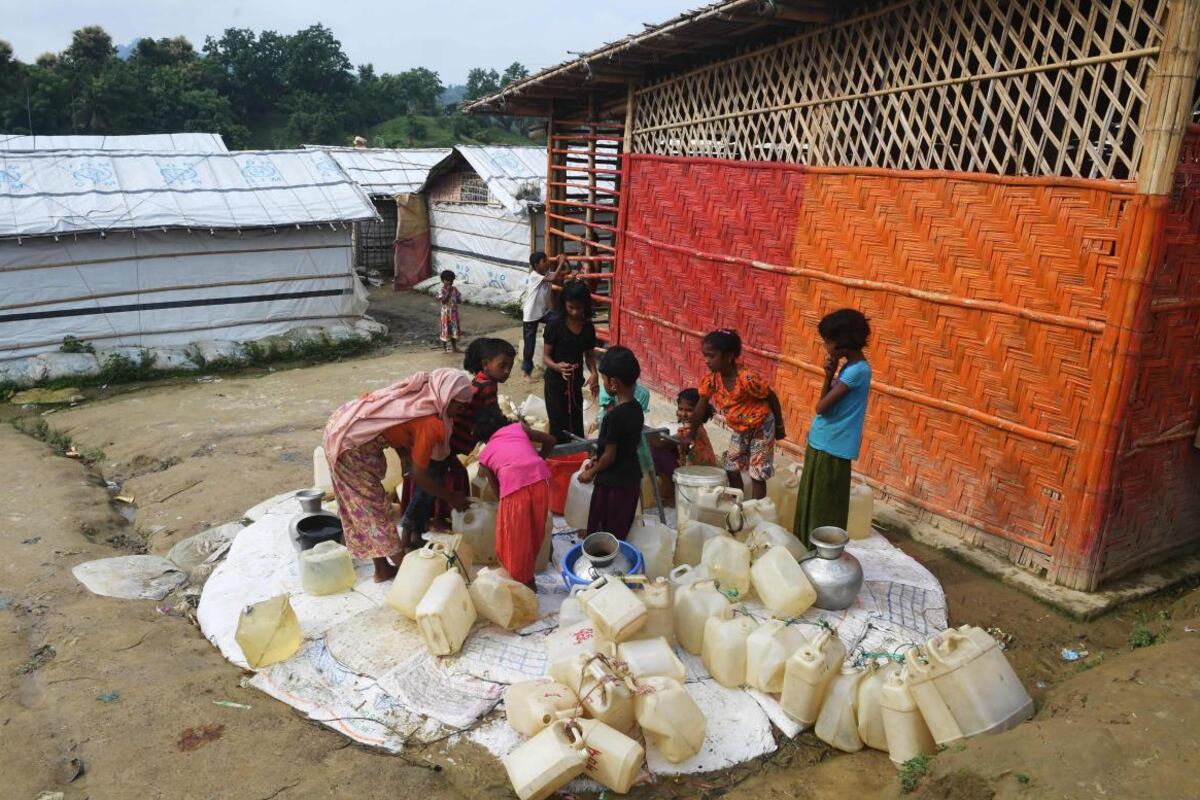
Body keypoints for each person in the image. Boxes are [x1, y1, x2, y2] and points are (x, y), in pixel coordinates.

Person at [323, 369, 472, 582]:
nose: (461, 411)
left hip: (346, 427)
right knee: (373, 511)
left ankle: (382, 569)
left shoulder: (421, 399)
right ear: (446, 395)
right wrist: (451, 497)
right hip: (350, 444)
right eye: (459, 404)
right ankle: (411, 577)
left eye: (466, 406)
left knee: (362, 508)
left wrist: (405, 455)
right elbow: (419, 475)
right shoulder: (429, 423)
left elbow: (396, 429)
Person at [403, 337, 518, 530]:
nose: (507, 371)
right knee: (448, 477)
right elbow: (492, 415)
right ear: (486, 364)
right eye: (503, 365)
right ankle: (438, 518)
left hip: (450, 439)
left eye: (510, 366)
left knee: (444, 476)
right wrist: (512, 428)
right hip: (454, 441)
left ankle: (429, 519)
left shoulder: (478, 381)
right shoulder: (487, 386)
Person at [793, 309, 872, 546]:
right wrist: (830, 373)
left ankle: (818, 552)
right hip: (825, 441)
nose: (826, 347)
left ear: (843, 343)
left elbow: (821, 407)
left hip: (833, 446)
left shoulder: (857, 371)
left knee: (824, 505)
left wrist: (829, 375)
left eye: (828, 342)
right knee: (814, 500)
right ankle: (808, 548)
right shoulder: (851, 368)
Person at [474, 405, 557, 589]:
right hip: (540, 480)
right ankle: (529, 575)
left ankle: (524, 584)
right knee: (535, 531)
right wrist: (539, 458)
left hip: (514, 490)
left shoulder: (486, 454)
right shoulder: (518, 428)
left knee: (515, 539)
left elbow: (497, 491)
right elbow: (551, 439)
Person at [689, 329, 776, 500]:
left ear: (729, 356)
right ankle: (739, 503)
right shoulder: (712, 379)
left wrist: (779, 427)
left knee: (757, 472)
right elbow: (700, 407)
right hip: (740, 428)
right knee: (730, 467)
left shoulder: (747, 379)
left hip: (761, 426)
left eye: (711, 356)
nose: (707, 361)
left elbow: (771, 397)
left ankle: (757, 510)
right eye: (705, 355)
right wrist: (690, 435)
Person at [578, 346, 644, 540]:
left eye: (604, 378)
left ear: (613, 383)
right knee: (620, 520)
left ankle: (601, 547)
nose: (603, 382)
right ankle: (610, 543)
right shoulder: (637, 409)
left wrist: (591, 471)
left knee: (606, 520)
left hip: (613, 480)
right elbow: (629, 444)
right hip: (631, 476)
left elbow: (610, 456)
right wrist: (598, 458)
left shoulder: (613, 416)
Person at [543, 280, 598, 443]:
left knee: (576, 419)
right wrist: (557, 367)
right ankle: (560, 459)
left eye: (579, 308)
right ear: (564, 304)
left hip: (575, 381)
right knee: (558, 423)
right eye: (571, 307)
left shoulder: (588, 327)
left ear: (585, 306)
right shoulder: (554, 325)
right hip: (555, 382)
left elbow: (589, 355)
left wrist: (594, 374)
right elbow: (546, 357)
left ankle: (578, 458)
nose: (575, 312)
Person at [521, 251, 569, 378]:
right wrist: (561, 262)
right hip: (531, 315)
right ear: (536, 265)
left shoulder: (546, 273)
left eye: (547, 260)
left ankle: (550, 340)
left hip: (543, 313)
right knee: (529, 345)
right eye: (544, 261)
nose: (547, 262)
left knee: (559, 319)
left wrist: (564, 262)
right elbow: (553, 278)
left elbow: (566, 273)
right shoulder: (534, 276)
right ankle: (526, 373)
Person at [437, 270, 462, 353]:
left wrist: (458, 299)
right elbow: (443, 301)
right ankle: (444, 348)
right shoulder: (441, 290)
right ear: (443, 280)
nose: (450, 282)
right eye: (447, 280)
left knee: (454, 330)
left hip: (454, 313)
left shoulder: (455, 289)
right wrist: (448, 292)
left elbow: (459, 300)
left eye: (451, 280)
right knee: (445, 329)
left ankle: (454, 347)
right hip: (445, 314)